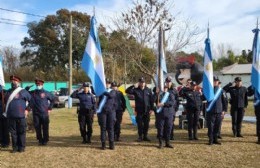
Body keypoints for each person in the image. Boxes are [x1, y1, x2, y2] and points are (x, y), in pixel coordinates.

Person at [4, 75, 31, 153]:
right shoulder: (8, 92)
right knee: (13, 133)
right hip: (11, 116)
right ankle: (15, 148)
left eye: (15, 81)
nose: (13, 82)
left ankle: (21, 147)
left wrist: (27, 109)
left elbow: (31, 101)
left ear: (18, 82)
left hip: (21, 115)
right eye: (12, 81)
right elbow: (5, 102)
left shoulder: (23, 91)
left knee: (21, 132)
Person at [126, 77, 154, 142]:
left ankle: (145, 136)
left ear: (145, 83)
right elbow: (127, 91)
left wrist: (152, 109)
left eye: (143, 82)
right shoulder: (136, 90)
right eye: (141, 82)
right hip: (139, 111)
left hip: (147, 111)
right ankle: (140, 137)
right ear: (139, 83)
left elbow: (151, 100)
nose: (142, 83)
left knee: (146, 124)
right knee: (140, 124)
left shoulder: (148, 90)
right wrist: (133, 86)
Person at [29, 79, 54, 145]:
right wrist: (27, 88)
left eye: (39, 84)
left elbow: (53, 99)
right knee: (37, 127)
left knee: (45, 127)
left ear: (42, 85)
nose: (38, 85)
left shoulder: (46, 93)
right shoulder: (33, 93)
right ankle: (40, 140)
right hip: (36, 113)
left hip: (44, 113)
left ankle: (45, 140)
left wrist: (50, 108)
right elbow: (25, 93)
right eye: (37, 84)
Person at [205, 76, 227, 145]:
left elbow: (225, 101)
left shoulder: (221, 91)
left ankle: (215, 139)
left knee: (217, 126)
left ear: (218, 82)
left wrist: (224, 110)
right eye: (214, 81)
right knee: (210, 127)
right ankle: (210, 140)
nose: (215, 82)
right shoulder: (208, 90)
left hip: (219, 111)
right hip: (211, 111)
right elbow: (202, 98)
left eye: (216, 81)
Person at [97, 79, 117, 150]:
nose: (107, 84)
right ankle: (103, 144)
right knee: (103, 128)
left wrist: (103, 91)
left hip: (110, 112)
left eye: (108, 83)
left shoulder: (113, 91)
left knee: (110, 128)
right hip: (102, 112)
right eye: (106, 83)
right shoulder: (101, 92)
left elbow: (110, 96)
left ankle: (111, 144)